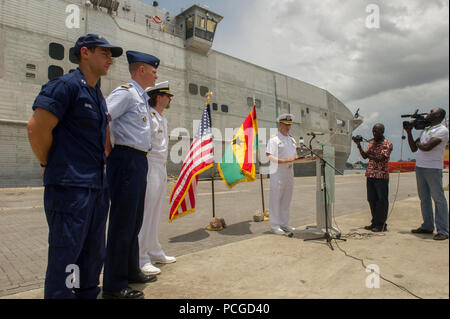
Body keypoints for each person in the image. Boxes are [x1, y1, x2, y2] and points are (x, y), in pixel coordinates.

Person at [27, 34, 123, 299]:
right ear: (85, 53)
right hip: (70, 188)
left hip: (95, 187)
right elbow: (36, 128)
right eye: (104, 54)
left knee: (92, 254)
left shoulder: (97, 95)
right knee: (67, 255)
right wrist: (48, 163)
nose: (110, 61)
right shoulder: (65, 86)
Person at [102, 51, 160, 299]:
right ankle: (114, 286)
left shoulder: (141, 96)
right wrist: (108, 151)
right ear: (141, 70)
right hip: (125, 159)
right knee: (122, 223)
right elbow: (102, 117)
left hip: (138, 161)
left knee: (134, 221)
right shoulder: (126, 92)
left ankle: (130, 270)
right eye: (153, 69)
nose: (157, 73)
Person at [138, 81, 176, 275]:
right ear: (158, 97)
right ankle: (141, 257)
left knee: (156, 210)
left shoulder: (162, 118)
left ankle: (154, 250)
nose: (170, 99)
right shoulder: (149, 117)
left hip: (161, 167)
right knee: (146, 212)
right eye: (167, 96)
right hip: (150, 165)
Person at [266, 114, 315, 235]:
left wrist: (301, 158)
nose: (288, 127)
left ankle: (284, 223)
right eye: (286, 125)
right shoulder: (274, 140)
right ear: (280, 124)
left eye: (290, 125)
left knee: (286, 199)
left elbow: (294, 155)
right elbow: (269, 156)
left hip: (289, 172)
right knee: (276, 199)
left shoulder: (291, 140)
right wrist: (285, 161)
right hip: (278, 172)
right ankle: (274, 225)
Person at [405, 108, 449, 240]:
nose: (428, 113)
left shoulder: (442, 130)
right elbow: (414, 148)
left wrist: (419, 143)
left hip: (433, 168)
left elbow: (426, 147)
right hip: (420, 167)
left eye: (431, 112)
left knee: (438, 199)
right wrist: (409, 132)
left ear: (438, 116)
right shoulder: (427, 129)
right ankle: (427, 226)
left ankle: (444, 230)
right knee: (424, 198)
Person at [354, 124, 393, 232]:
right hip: (370, 174)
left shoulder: (387, 143)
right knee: (371, 199)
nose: (374, 133)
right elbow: (364, 156)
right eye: (373, 131)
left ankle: (382, 224)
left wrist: (368, 155)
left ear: (382, 131)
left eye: (377, 131)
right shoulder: (372, 143)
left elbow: (381, 158)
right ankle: (375, 222)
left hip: (381, 175)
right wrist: (358, 145)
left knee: (382, 200)